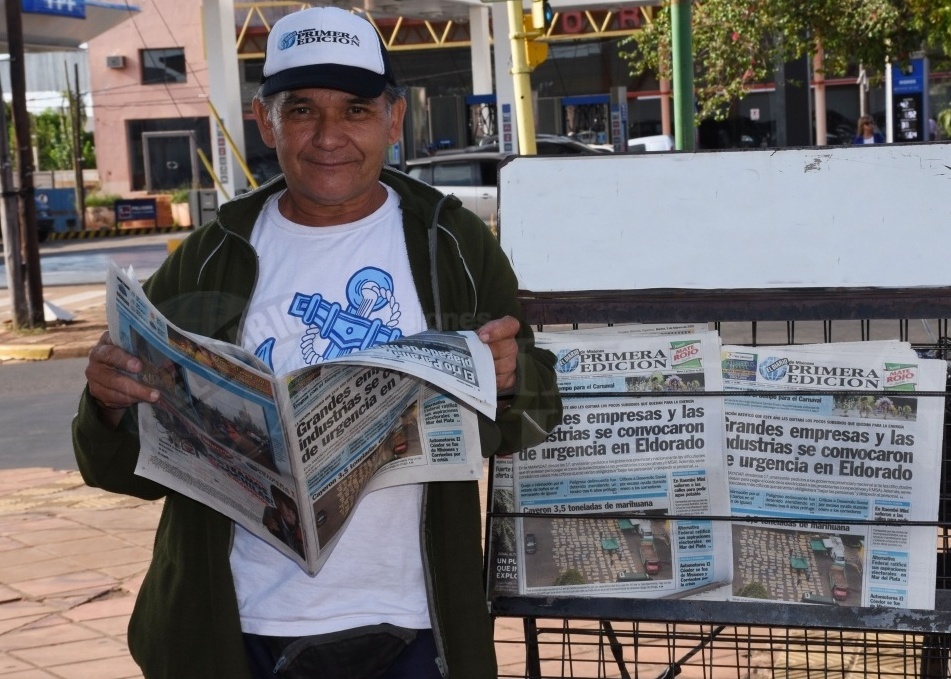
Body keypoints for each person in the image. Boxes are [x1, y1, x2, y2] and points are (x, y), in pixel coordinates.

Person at [72, 7, 562, 679]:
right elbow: (117, 469)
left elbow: (533, 410)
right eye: (301, 110)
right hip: (236, 629)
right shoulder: (211, 257)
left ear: (393, 120)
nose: (328, 136)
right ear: (264, 120)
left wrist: (510, 376)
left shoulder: (450, 243)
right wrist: (107, 404)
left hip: (414, 622)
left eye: (355, 110)